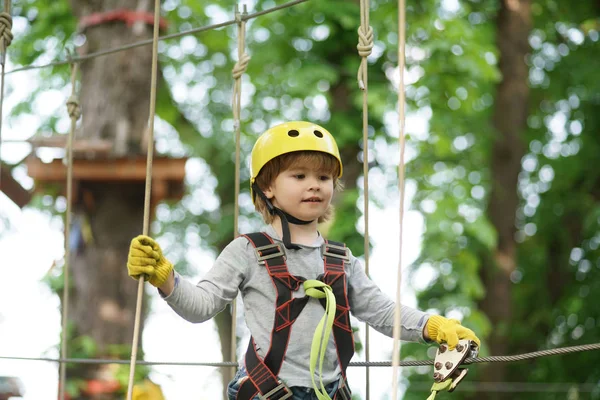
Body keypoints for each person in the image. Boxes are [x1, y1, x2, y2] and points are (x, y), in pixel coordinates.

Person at [127, 121, 480, 400]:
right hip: (267, 391)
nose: (314, 186)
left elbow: (384, 313)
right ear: (267, 188)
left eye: (323, 177)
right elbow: (201, 306)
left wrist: (435, 327)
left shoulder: (342, 261)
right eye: (299, 176)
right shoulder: (247, 251)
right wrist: (165, 277)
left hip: (330, 393)